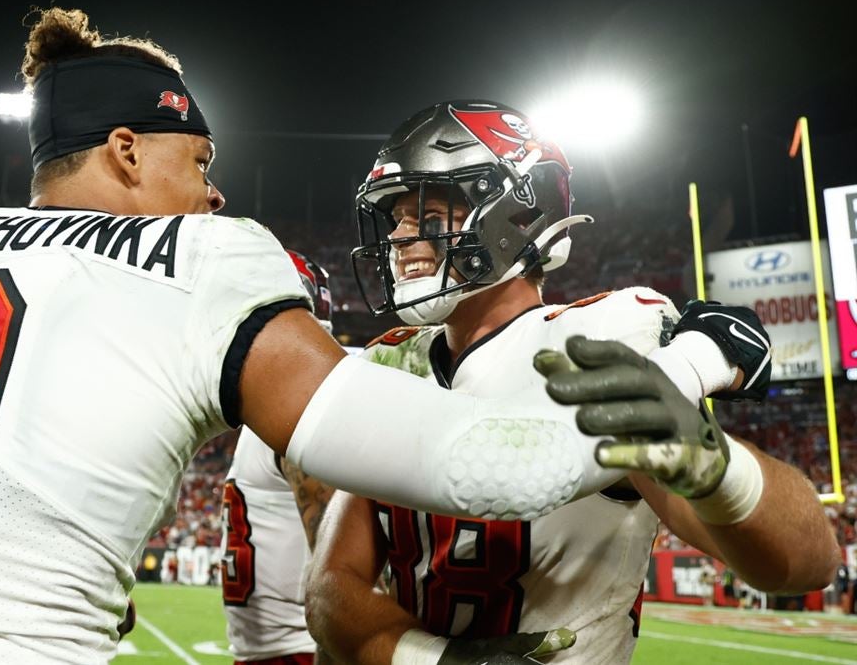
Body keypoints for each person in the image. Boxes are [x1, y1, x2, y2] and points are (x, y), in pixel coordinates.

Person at [0, 12, 650, 665]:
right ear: (128, 150)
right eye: (200, 159)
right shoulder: (201, 258)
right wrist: (686, 367)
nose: (215, 190)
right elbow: (479, 466)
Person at [307, 100, 842, 664]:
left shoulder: (599, 339)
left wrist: (717, 469)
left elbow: (806, 565)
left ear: (514, 218)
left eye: (429, 215)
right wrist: (433, 660)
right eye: (394, 218)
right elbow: (331, 586)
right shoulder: (386, 364)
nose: (400, 238)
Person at [220, 249, 338, 665]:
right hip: (272, 652)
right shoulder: (268, 407)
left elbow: (337, 566)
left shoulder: (299, 403)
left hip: (299, 652)